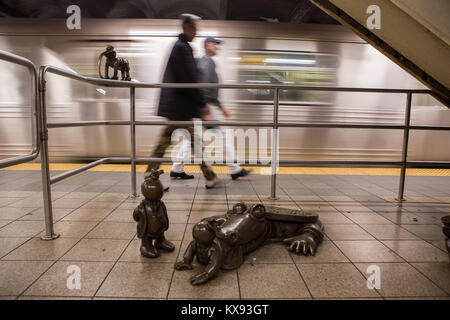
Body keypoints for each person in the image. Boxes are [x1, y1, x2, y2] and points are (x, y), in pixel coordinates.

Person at [145, 15, 219, 189]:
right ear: (186, 28)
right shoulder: (182, 48)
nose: (196, 32)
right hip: (180, 106)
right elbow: (190, 79)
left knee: (173, 142)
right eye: (194, 28)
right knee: (189, 142)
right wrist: (203, 105)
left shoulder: (180, 46)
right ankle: (209, 176)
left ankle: (150, 175)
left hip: (178, 105)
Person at [170, 36, 252, 180]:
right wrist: (205, 108)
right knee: (223, 135)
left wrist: (221, 107)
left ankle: (176, 169)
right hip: (207, 107)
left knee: (193, 139)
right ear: (207, 45)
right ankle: (234, 169)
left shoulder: (205, 62)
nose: (217, 47)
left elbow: (211, 88)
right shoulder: (207, 62)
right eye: (215, 44)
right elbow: (204, 86)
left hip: (206, 105)